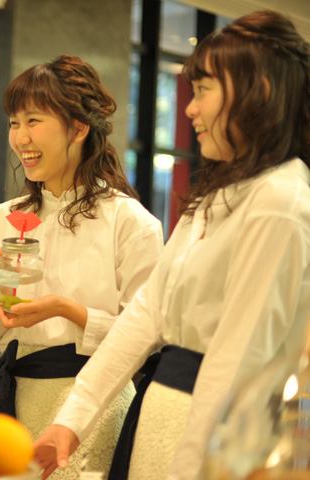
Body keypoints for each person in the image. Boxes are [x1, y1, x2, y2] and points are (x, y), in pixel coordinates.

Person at [33, 10, 310, 480]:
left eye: (203, 90)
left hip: (218, 441)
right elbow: (146, 313)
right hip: (165, 417)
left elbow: (238, 362)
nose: (189, 109)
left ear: (259, 91)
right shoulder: (222, 192)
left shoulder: (279, 200)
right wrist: (71, 420)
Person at [0, 55, 164, 479]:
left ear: (78, 128)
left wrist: (66, 310)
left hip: (90, 412)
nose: (20, 137)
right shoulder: (5, 217)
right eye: (14, 123)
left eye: (33, 121)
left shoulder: (130, 222)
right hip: (11, 408)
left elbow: (147, 340)